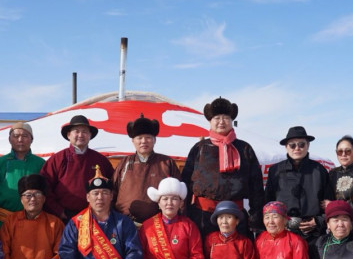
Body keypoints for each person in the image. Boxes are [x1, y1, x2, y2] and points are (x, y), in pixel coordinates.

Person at [182, 97, 264, 237]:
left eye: (226, 117)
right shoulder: (199, 148)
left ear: (232, 121)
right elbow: (186, 181)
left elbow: (256, 185)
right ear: (210, 121)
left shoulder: (244, 148)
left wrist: (256, 216)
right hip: (202, 216)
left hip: (235, 216)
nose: (221, 121)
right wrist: (185, 212)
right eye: (217, 118)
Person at [41, 115, 114, 222]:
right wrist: (59, 211)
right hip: (63, 217)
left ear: (90, 135)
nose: (80, 135)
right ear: (69, 135)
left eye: (84, 132)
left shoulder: (100, 160)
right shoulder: (57, 159)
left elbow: (113, 186)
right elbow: (44, 186)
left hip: (94, 217)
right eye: (76, 131)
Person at [265, 126, 333, 239]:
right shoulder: (275, 171)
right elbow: (268, 202)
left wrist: (318, 221)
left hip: (314, 234)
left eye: (301, 144)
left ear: (308, 145)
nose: (297, 148)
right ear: (286, 147)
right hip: (283, 232)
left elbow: (330, 203)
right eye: (292, 145)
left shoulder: (319, 170)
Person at [112, 115, 180, 223]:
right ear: (133, 141)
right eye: (139, 138)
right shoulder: (124, 163)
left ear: (154, 140)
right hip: (125, 223)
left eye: (148, 137)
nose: (144, 141)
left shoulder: (166, 163)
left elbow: (178, 195)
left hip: (157, 225)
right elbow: (112, 192)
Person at [0, 122, 45, 230]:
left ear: (31, 139)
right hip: (2, 221)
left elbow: (46, 191)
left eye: (25, 136)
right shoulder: (0, 163)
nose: (20, 140)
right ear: (9, 139)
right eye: (16, 136)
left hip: (32, 221)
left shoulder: (40, 163)